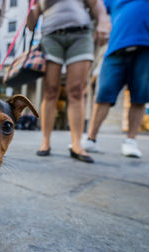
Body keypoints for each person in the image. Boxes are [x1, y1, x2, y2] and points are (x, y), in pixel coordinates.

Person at [82, 0, 149, 158]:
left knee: (140, 95)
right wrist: (101, 23)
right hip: (116, 46)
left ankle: (130, 140)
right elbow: (97, 6)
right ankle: (91, 138)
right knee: (104, 93)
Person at [27, 0, 109, 163]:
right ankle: (45, 142)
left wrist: (103, 23)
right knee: (50, 90)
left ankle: (77, 144)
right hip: (51, 35)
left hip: (81, 34)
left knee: (77, 90)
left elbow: (96, 5)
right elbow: (31, 24)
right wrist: (31, 8)